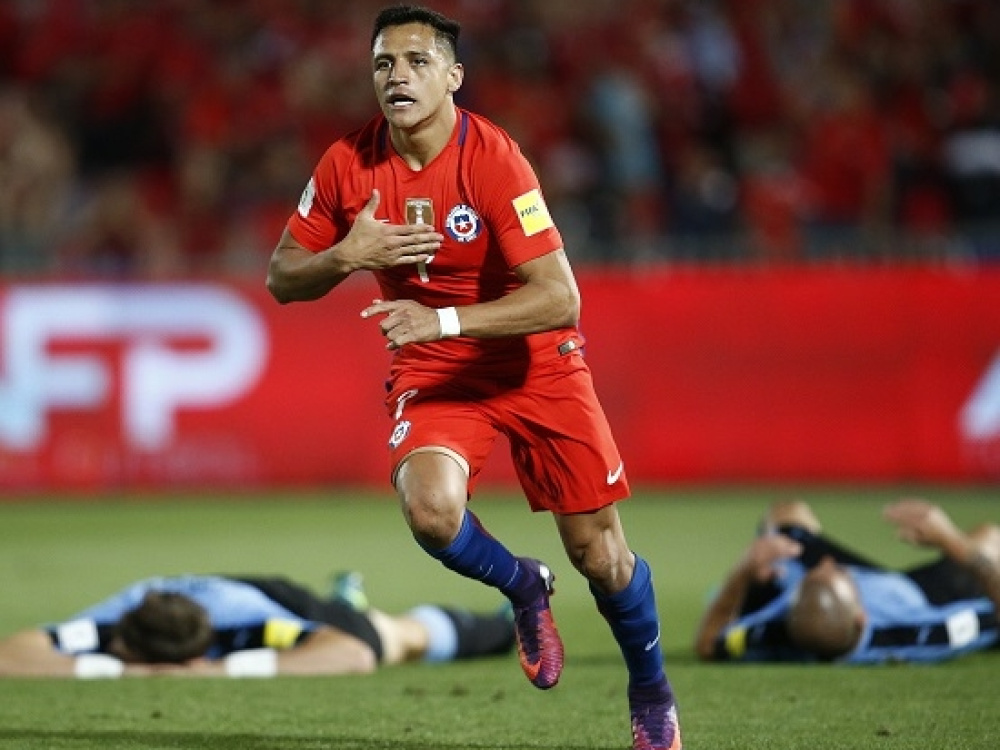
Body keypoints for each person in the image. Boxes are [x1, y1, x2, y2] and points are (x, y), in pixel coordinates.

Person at [265, 6, 680, 749]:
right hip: (436, 368)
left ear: (453, 76)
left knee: (600, 557)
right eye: (384, 64)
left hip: (533, 360)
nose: (398, 77)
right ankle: (522, 585)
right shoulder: (347, 164)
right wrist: (346, 256)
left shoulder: (492, 158)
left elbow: (561, 298)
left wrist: (444, 320)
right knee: (429, 511)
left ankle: (650, 689)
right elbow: (282, 278)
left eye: (417, 62)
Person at [0, 572, 515, 678]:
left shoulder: (244, 626)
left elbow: (350, 656)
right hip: (213, 594)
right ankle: (345, 597)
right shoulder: (115, 625)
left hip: (274, 600)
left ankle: (508, 623)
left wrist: (220, 672)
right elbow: (10, 654)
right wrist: (125, 672)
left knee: (390, 640)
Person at [695, 498, 1000, 664]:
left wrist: (743, 569)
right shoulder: (919, 634)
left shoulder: (777, 631)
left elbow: (708, 644)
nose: (829, 563)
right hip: (916, 594)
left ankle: (757, 593)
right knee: (990, 537)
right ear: (862, 616)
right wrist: (951, 540)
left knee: (787, 514)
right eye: (840, 572)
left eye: (818, 574)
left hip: (821, 597)